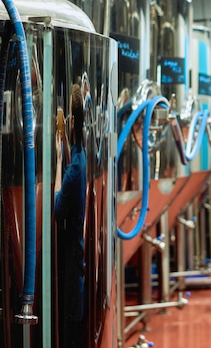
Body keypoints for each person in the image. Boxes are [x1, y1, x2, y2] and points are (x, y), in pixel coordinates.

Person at [54, 83, 87, 348]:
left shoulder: (75, 169)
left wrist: (56, 158)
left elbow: (57, 206)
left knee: (71, 326)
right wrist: (64, 139)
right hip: (77, 254)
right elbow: (73, 155)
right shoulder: (81, 155)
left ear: (72, 120)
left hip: (73, 255)